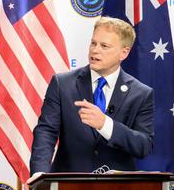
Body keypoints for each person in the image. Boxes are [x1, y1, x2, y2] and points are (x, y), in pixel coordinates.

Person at [30, 17, 154, 175]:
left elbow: (143, 145)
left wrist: (106, 125)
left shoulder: (141, 94)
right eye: (93, 43)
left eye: (104, 46)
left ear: (124, 53)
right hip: (68, 186)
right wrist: (39, 174)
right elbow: (46, 131)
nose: (95, 50)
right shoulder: (62, 84)